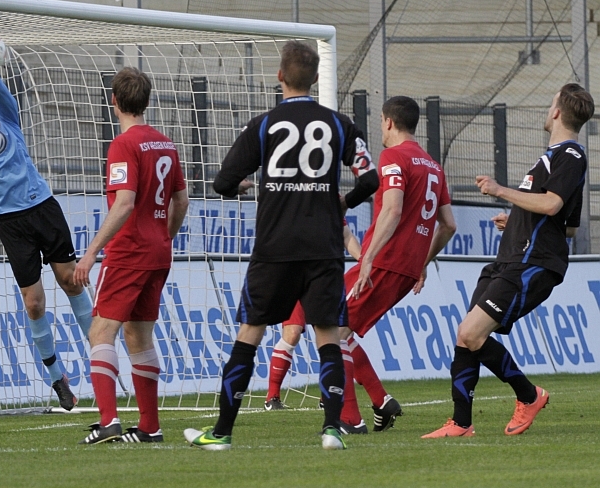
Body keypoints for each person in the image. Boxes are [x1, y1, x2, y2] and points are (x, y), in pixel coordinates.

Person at [184, 40, 379, 451]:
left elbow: (222, 182)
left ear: (279, 77)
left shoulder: (263, 125)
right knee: (328, 336)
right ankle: (331, 429)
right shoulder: (340, 124)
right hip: (324, 247)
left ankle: (221, 432)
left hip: (275, 246)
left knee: (250, 334)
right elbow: (370, 179)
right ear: (317, 78)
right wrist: (343, 202)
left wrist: (244, 186)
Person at [423, 83, 594, 439]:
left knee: (471, 333)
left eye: (551, 103)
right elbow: (568, 226)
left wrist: (500, 190)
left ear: (557, 112)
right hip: (511, 258)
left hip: (531, 263)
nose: (548, 109)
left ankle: (529, 395)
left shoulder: (571, 155)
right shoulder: (553, 158)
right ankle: (461, 423)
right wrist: (516, 220)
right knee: (466, 336)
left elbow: (552, 205)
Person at [0, 36, 93, 410]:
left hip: (42, 207)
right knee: (34, 303)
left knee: (71, 281)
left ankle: (101, 351)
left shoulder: (6, 117)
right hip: (10, 222)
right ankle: (57, 378)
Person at [71, 67, 188, 444]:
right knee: (139, 337)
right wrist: (164, 235)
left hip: (128, 251)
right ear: (147, 100)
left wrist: (91, 252)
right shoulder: (165, 143)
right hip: (159, 253)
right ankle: (150, 427)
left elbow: (124, 203)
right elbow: (181, 200)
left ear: (114, 101)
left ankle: (108, 421)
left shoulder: (123, 144)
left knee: (100, 331)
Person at [337, 96, 456, 434]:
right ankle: (380, 401)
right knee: (338, 327)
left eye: (381, 122)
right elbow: (449, 225)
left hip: (384, 262)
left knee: (332, 330)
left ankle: (350, 419)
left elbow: (392, 210)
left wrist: (368, 259)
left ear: (388, 122)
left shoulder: (393, 157)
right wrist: (422, 263)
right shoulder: (433, 166)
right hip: (406, 268)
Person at [264, 223, 361, 411]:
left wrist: (364, 261)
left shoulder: (328, 206)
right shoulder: (289, 208)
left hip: (323, 278)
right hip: (291, 275)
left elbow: (346, 235)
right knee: (292, 333)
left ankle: (328, 395)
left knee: (332, 337)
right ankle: (272, 397)